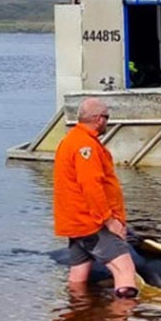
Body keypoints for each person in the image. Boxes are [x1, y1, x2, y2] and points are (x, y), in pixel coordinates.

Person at [53, 97, 139, 299]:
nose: (107, 123)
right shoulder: (87, 147)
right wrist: (109, 220)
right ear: (99, 119)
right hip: (91, 223)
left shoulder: (70, 140)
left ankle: (77, 317)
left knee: (78, 274)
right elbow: (91, 187)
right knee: (125, 269)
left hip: (75, 223)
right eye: (107, 118)